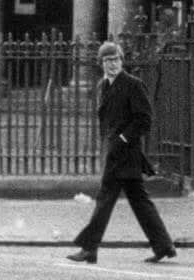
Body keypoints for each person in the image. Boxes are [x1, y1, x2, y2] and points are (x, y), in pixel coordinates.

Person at [68, 41, 177, 264]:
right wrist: (107, 143)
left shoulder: (133, 84)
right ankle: (163, 245)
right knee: (139, 201)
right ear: (101, 64)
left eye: (116, 59)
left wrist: (122, 139)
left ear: (122, 60)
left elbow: (144, 119)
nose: (112, 64)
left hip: (125, 153)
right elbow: (105, 120)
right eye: (108, 60)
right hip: (115, 153)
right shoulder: (102, 86)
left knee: (105, 199)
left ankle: (89, 248)